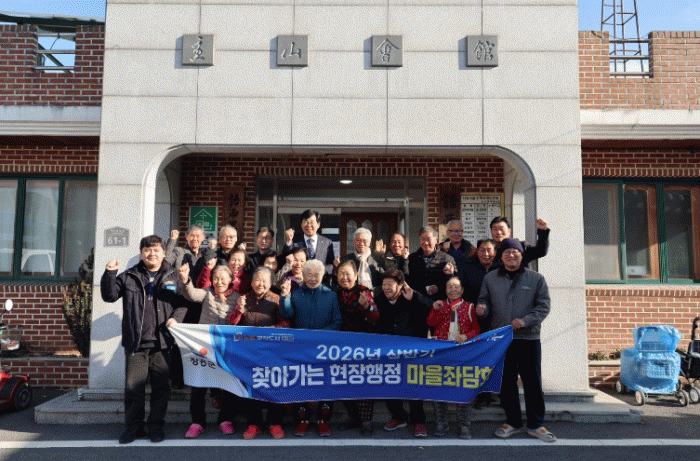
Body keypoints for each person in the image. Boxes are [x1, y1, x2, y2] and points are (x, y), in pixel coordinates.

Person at [100, 235, 187, 444]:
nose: (152, 254)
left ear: (164, 253)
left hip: (163, 342)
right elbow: (109, 296)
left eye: (156, 250)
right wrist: (109, 273)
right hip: (136, 343)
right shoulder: (129, 275)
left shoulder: (173, 275)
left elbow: (183, 304)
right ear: (141, 253)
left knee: (161, 389)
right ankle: (134, 427)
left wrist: (175, 319)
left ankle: (156, 426)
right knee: (134, 389)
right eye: (147, 250)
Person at [476, 238, 555, 443]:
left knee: (532, 382)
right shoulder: (490, 278)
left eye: (515, 252)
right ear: (501, 257)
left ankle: (536, 424)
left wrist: (525, 321)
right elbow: (484, 299)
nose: (511, 255)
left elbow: (543, 307)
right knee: (506, 382)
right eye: (507, 252)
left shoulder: (536, 279)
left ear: (521, 255)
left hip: (528, 338)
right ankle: (513, 421)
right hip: (502, 339)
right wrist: (482, 308)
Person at [279, 259, 342, 437]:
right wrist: (285, 296)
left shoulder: (330, 295)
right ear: (303, 276)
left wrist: (319, 335)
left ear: (322, 276)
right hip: (301, 348)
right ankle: (302, 420)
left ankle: (323, 420)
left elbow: (337, 322)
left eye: (316, 275)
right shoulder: (296, 294)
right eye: (309, 274)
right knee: (301, 383)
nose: (313, 278)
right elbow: (287, 314)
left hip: (324, 348)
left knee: (326, 384)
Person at [177, 264, 241, 438]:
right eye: (216, 278)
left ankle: (225, 420)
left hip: (227, 349)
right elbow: (191, 294)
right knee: (198, 385)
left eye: (223, 279)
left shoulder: (238, 298)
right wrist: (186, 280)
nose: (219, 282)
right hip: (204, 346)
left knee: (229, 385)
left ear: (231, 280)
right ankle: (198, 422)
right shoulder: (207, 293)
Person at [227, 267, 289, 440]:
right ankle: (254, 423)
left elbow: (286, 323)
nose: (260, 284)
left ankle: (275, 422)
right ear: (252, 282)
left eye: (264, 281)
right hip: (248, 353)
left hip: (272, 352)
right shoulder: (243, 298)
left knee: (274, 386)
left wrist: (271, 330)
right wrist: (239, 311)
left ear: (270, 283)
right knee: (251, 387)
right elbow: (231, 325)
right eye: (257, 280)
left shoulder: (276, 300)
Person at [374, 270, 433, 438]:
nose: (386, 288)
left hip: (412, 351)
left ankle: (418, 421)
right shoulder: (379, 300)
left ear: (400, 285)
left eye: (390, 284)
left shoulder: (412, 297)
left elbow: (433, 309)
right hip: (388, 352)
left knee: (414, 386)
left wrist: (415, 297)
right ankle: (399, 417)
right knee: (389, 385)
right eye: (384, 284)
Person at [426, 276, 480, 439]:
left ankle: (464, 425)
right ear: (445, 290)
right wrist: (435, 309)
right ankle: (441, 422)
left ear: (462, 290)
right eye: (449, 286)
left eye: (456, 286)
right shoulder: (439, 304)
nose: (453, 289)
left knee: (463, 388)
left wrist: (467, 336)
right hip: (442, 353)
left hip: (463, 353)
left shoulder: (470, 307)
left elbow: (476, 329)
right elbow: (430, 323)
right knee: (439, 388)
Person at [335, 260, 379, 436]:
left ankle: (367, 421)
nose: (344, 277)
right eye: (341, 273)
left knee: (363, 383)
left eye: (348, 273)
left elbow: (375, 317)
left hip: (362, 346)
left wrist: (367, 306)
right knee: (344, 383)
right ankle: (353, 418)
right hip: (340, 347)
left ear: (355, 275)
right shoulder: (334, 293)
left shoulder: (364, 292)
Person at [406, 226, 456, 301]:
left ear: (436, 240)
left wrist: (439, 288)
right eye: (423, 239)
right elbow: (409, 281)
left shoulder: (447, 259)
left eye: (428, 239)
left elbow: (455, 283)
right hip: (418, 302)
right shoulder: (412, 258)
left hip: (440, 302)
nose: (425, 243)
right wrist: (423, 289)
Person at [283, 209, 336, 276]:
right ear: (301, 224)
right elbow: (285, 258)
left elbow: (331, 265)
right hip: (298, 280)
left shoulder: (327, 243)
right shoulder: (294, 241)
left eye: (312, 222)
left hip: (320, 280)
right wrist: (288, 241)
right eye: (306, 222)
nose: (308, 225)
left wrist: (320, 270)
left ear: (318, 224)